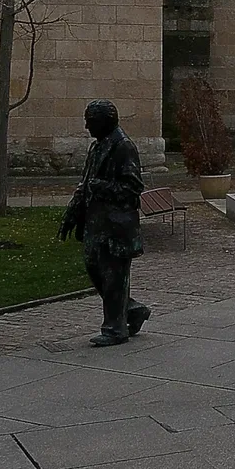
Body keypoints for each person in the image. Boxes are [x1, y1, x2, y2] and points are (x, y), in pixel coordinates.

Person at [59, 99, 151, 346]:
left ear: (104, 122)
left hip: (115, 226)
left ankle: (115, 329)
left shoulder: (123, 147)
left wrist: (102, 187)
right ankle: (132, 310)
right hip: (95, 223)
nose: (86, 126)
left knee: (113, 277)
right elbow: (85, 184)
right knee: (95, 269)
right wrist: (71, 214)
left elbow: (133, 188)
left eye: (90, 122)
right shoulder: (96, 147)